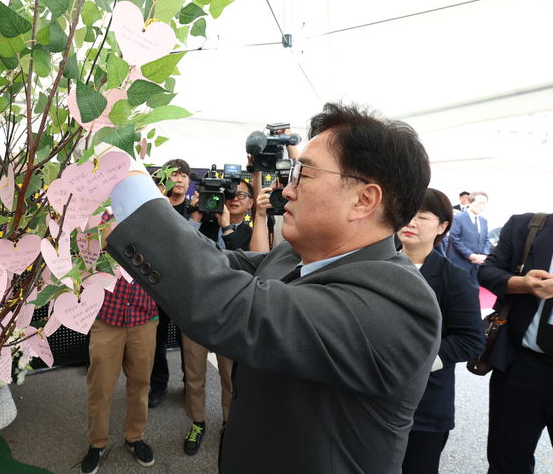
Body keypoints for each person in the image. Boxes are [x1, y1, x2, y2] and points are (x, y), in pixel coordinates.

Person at [106, 102, 441, 473]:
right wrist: (120, 219)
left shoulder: (397, 303)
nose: (287, 190)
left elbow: (232, 307)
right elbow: (214, 264)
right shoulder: (290, 256)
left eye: (303, 175)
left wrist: (125, 179)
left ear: (363, 200)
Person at [398, 188, 485, 474]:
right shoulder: (373, 265)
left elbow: (470, 340)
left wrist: (418, 363)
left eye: (421, 217)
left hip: (424, 405)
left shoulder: (453, 278)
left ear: (443, 226)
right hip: (367, 400)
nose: (410, 222)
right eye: (407, 213)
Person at [180, 179, 255, 455]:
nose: (234, 198)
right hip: (198, 311)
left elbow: (247, 265)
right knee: (194, 372)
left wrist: (227, 226)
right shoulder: (205, 225)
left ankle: (228, 422)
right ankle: (197, 422)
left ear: (250, 203)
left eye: (242, 194)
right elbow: (184, 254)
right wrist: (197, 214)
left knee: (230, 376)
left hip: (232, 314)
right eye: (230, 193)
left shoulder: (251, 232)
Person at [80, 213, 159, 474]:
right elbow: (83, 258)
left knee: (140, 382)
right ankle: (97, 443)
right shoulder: (97, 215)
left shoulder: (153, 217)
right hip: (107, 317)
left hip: (144, 316)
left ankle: (135, 437)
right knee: (100, 385)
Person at [478, 212, 553, 474]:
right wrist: (522, 284)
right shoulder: (528, 226)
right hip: (520, 365)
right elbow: (487, 272)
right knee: (507, 461)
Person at [147, 159, 189, 408]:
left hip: (187, 288)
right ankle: (158, 385)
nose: (180, 179)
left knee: (189, 342)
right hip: (158, 286)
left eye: (184, 175)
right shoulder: (156, 208)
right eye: (175, 175)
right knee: (157, 340)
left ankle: (190, 384)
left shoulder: (197, 210)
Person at [447, 191, 491, 286]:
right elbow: (454, 238)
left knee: (474, 292)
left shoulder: (484, 221)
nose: (482, 206)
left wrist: (484, 255)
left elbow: (486, 239)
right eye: (479, 203)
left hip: (477, 264)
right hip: (460, 262)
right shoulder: (458, 218)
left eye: (484, 204)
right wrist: (470, 255)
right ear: (470, 202)